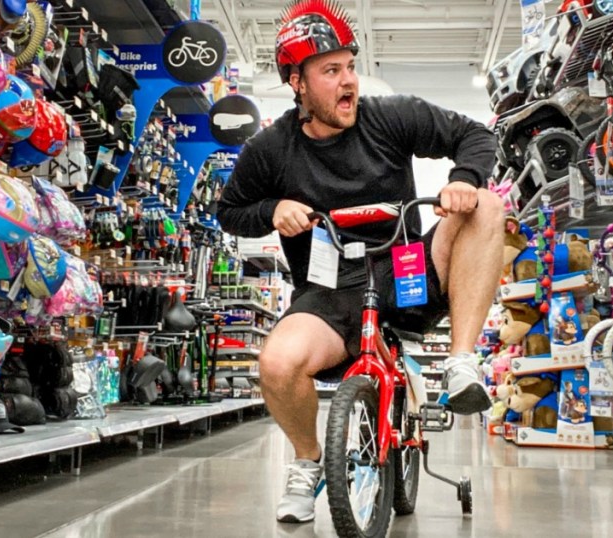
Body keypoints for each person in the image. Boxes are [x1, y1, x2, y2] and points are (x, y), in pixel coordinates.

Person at [215, 0, 503, 524]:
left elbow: (477, 136)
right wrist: (271, 209)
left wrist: (463, 179)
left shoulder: (390, 116)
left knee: (486, 205)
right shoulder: (270, 149)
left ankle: (462, 361)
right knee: (277, 363)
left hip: (408, 270)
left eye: (350, 65)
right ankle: (306, 462)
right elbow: (228, 212)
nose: (348, 81)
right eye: (331, 71)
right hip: (329, 293)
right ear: (296, 83)